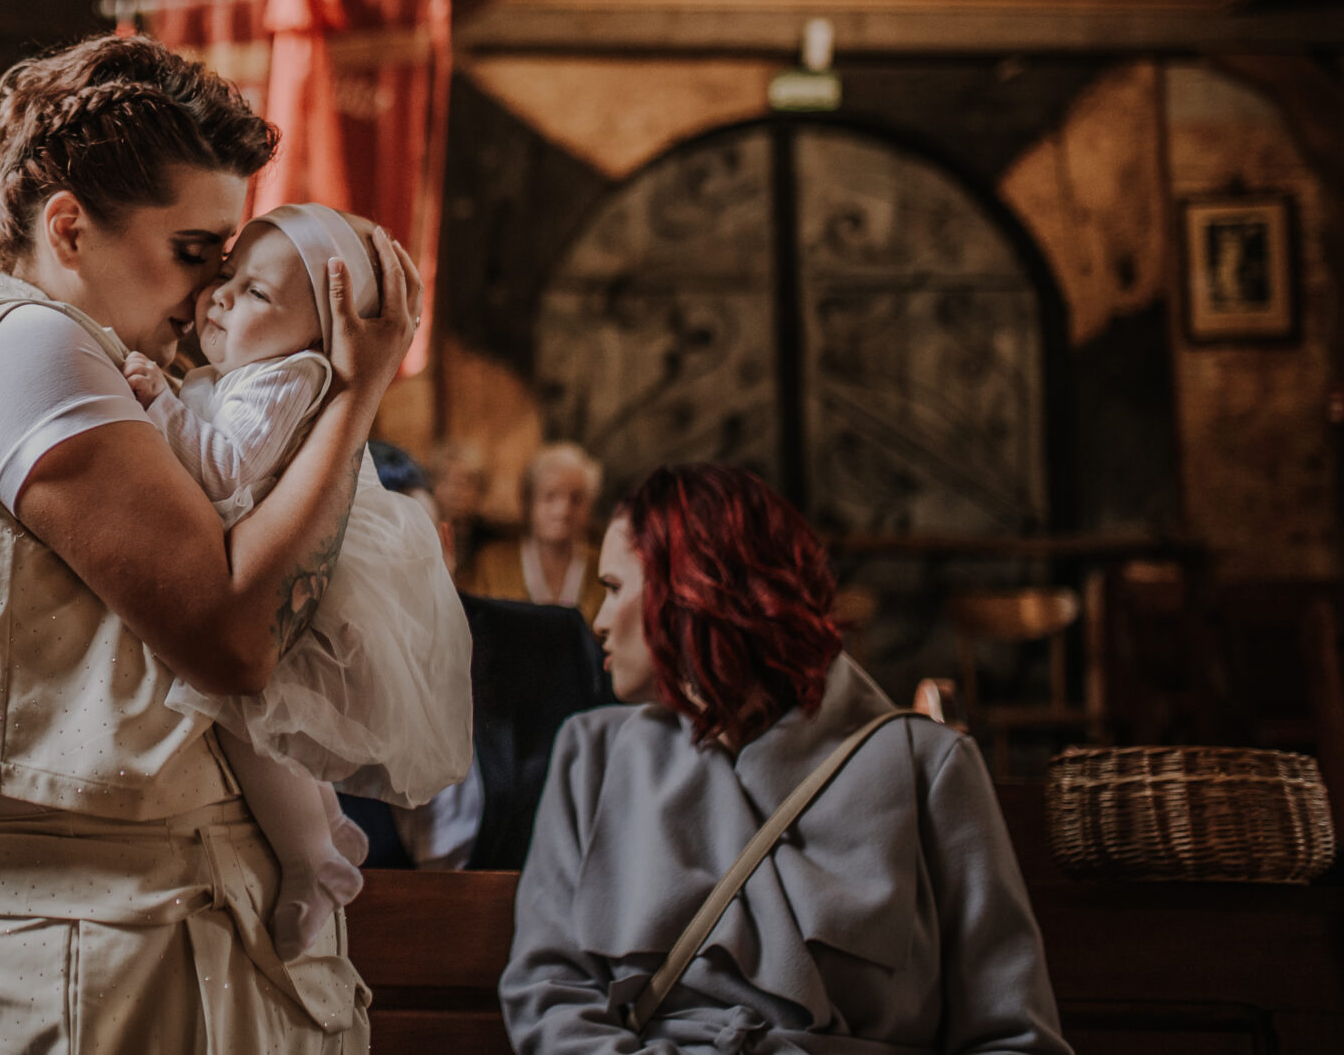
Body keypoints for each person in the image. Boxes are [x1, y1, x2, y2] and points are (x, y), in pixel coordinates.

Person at [0, 33, 431, 1053]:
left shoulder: (91, 358)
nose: (209, 289)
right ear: (68, 228)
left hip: (160, 929)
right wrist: (355, 393)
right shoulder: (36, 349)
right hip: (121, 950)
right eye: (191, 250)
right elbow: (232, 640)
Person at [501, 464, 1070, 1053]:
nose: (597, 621)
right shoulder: (591, 758)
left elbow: (1013, 1035)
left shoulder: (927, 766)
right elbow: (551, 993)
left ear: (691, 592)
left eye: (616, 588)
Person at [118, 203, 470, 954]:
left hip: (297, 581)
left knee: (252, 723)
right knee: (268, 727)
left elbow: (223, 469)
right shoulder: (245, 374)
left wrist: (159, 403)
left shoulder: (288, 377)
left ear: (320, 336)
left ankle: (311, 861)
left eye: (255, 292)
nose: (218, 296)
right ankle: (323, 833)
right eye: (227, 276)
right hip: (264, 564)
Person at [341, 445, 612, 875]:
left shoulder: (554, 645)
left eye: (417, 545)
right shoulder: (302, 683)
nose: (398, 576)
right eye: (368, 555)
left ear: (447, 545)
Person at [468, 442, 605, 622]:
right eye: (550, 496)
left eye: (576, 499)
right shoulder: (491, 564)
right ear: (528, 502)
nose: (563, 511)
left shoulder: (603, 568)